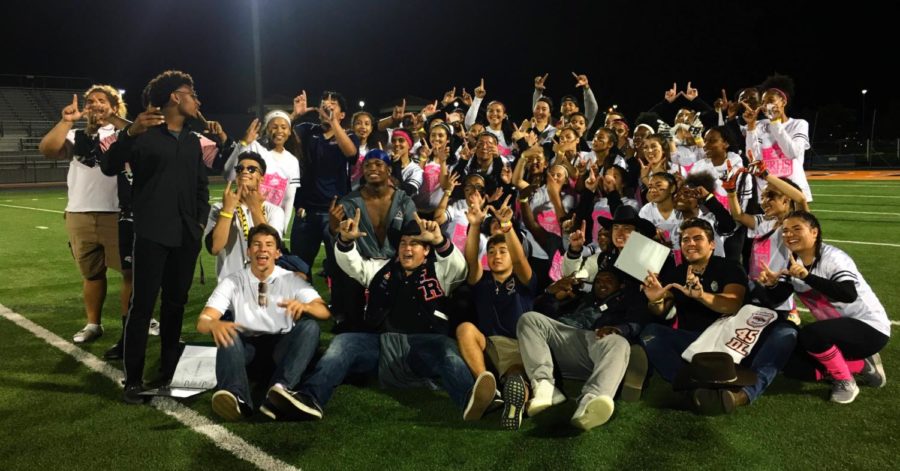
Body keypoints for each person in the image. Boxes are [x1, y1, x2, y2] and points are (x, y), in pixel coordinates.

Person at [102, 70, 218, 403]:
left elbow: (200, 186)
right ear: (174, 98)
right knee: (142, 306)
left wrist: (197, 224)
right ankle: (134, 380)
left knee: (175, 304)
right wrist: (128, 132)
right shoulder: (143, 134)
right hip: (152, 233)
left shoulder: (194, 140)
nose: (197, 99)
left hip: (185, 235)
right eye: (191, 92)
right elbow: (110, 166)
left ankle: (169, 366)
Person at [285, 211, 470, 420]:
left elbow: (459, 269)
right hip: (382, 345)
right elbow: (354, 266)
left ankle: (471, 399)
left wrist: (439, 240)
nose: (407, 248)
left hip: (423, 347)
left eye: (415, 244)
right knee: (344, 342)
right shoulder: (383, 268)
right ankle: (311, 397)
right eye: (403, 243)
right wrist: (345, 241)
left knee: (447, 350)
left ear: (427, 250)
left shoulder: (440, 270)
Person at [198, 224, 329, 420]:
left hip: (281, 350)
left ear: (277, 253)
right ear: (249, 251)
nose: (262, 249)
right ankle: (237, 398)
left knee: (310, 327)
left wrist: (307, 307)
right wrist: (213, 324)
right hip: (246, 353)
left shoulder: (290, 279)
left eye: (269, 245)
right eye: (257, 244)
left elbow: (323, 311)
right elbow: (203, 320)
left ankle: (280, 390)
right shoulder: (233, 281)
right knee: (227, 330)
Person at [38, 85, 134, 347]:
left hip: (118, 212)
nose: (94, 105)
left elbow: (143, 135)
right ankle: (94, 323)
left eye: (102, 101)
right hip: (80, 212)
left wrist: (112, 118)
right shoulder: (76, 134)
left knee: (130, 272)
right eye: (91, 101)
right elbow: (47, 149)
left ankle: (134, 322)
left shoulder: (125, 133)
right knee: (92, 274)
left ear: (115, 106)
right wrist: (66, 120)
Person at [760, 211, 890, 404]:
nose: (789, 234)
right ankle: (861, 365)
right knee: (792, 364)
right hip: (838, 336)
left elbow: (847, 293)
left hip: (870, 329)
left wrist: (807, 277)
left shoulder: (833, 257)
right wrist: (771, 284)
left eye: (797, 229)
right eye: (785, 231)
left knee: (811, 334)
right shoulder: (792, 262)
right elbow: (776, 299)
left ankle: (845, 381)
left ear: (814, 232)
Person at [517, 267, 651, 431]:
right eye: (598, 280)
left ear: (620, 286)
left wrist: (618, 329)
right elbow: (545, 313)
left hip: (599, 342)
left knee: (619, 342)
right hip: (567, 341)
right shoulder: (582, 298)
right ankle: (545, 387)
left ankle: (591, 401)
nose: (602, 284)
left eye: (608, 280)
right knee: (529, 319)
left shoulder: (628, 300)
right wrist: (550, 294)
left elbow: (637, 323)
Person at [458, 195, 536, 429]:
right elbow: (471, 261)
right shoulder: (482, 281)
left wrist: (507, 227)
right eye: (491, 252)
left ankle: (516, 402)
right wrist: (474, 225)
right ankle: (486, 384)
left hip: (518, 347)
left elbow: (521, 259)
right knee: (464, 329)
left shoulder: (524, 280)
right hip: (488, 346)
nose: (497, 256)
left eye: (503, 251)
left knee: (515, 377)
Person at [289, 90, 360, 275]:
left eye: (332, 105)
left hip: (335, 212)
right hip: (306, 210)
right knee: (298, 267)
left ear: (342, 114)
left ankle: (338, 304)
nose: (326, 107)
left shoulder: (349, 136)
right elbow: (279, 132)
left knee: (339, 267)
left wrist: (333, 122)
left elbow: (351, 153)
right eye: (324, 105)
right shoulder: (308, 130)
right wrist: (294, 115)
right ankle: (304, 304)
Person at [205, 151, 286, 281]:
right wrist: (227, 210)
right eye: (240, 169)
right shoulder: (219, 208)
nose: (244, 171)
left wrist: (254, 208)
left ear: (261, 177)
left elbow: (272, 247)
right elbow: (215, 248)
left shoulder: (274, 211)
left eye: (251, 169)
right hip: (230, 286)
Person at [223, 110, 301, 229]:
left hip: (273, 220)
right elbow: (229, 175)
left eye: (284, 127)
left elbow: (288, 200)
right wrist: (243, 143)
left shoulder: (292, 161)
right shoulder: (254, 147)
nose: (279, 131)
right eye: (274, 127)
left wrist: (282, 229)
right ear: (266, 130)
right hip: (245, 217)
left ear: (289, 131)